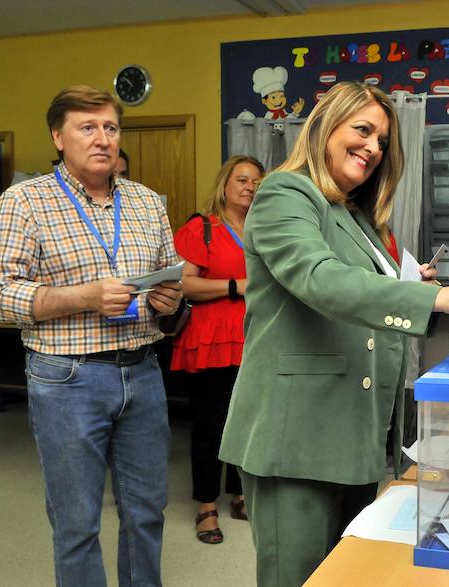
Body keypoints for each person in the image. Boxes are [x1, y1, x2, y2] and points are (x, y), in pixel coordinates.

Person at [218, 81, 449, 587]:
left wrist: (423, 292)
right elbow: (318, 277)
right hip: (298, 435)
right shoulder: (285, 193)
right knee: (299, 578)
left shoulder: (356, 215)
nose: (373, 147)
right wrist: (435, 298)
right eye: (362, 130)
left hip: (355, 432)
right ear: (325, 128)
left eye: (382, 140)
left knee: (342, 575)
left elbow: (367, 299)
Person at [0, 85, 183, 586]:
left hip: (142, 371)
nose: (102, 139)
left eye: (111, 128)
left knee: (146, 514)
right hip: (67, 379)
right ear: (58, 136)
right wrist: (84, 297)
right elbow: (0, 294)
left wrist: (170, 299)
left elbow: (168, 276)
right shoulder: (24, 200)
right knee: (76, 524)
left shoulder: (145, 201)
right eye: (87, 127)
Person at [170, 155, 264, 544]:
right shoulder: (202, 228)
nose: (249, 186)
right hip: (209, 341)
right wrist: (234, 286)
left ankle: (239, 495)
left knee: (248, 424)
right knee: (210, 426)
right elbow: (184, 285)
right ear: (225, 184)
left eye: (257, 182)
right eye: (241, 179)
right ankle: (206, 506)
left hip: (255, 338)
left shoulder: (265, 229)